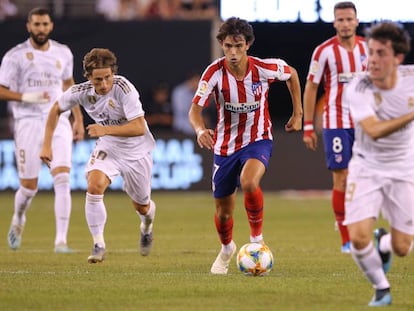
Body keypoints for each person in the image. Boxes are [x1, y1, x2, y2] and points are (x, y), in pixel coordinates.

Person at [188, 17, 302, 274]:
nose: (233, 52)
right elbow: (194, 110)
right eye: (228, 46)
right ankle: (227, 248)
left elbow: (292, 74)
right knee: (224, 212)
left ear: (248, 45)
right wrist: (198, 130)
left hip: (258, 139)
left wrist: (298, 113)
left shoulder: (263, 68)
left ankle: (256, 239)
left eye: (238, 46)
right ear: (221, 45)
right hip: (225, 146)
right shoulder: (213, 73)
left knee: (250, 182)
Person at [40, 48, 157, 264]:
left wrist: (105, 130)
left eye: (107, 78)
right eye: (97, 80)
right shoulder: (81, 91)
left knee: (142, 205)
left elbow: (139, 127)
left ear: (113, 73)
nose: (103, 84)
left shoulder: (124, 88)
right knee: (94, 185)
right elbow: (56, 108)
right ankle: (98, 244)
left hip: (136, 150)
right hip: (109, 148)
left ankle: (146, 226)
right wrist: (47, 144)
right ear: (88, 77)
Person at [0, 7, 84, 253]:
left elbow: (69, 85)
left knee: (63, 178)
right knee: (28, 187)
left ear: (51, 26)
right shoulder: (15, 56)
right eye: (36, 24)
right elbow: (2, 89)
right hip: (28, 121)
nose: (41, 29)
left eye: (44, 24)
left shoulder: (63, 52)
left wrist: (77, 118)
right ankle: (19, 217)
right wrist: (27, 96)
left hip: (59, 120)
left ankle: (61, 241)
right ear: (29, 26)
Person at [343, 22, 413, 307]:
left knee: (402, 248)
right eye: (370, 52)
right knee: (358, 239)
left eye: (380, 53)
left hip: (405, 170)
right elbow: (373, 129)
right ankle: (381, 288)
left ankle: (383, 244)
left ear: (397, 58)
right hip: (366, 168)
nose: (372, 60)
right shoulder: (358, 87)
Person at [302, 1, 368, 253]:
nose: (345, 24)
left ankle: (358, 224)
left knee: (363, 179)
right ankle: (345, 239)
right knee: (341, 177)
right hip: (336, 123)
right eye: (340, 20)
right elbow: (311, 87)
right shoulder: (324, 51)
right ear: (334, 22)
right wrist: (308, 126)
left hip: (365, 124)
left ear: (356, 21)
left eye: (349, 19)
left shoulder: (367, 49)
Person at [171, 71, 202, 135]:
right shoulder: (180, 92)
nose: (198, 84)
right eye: (197, 81)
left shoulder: (197, 92)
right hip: (181, 128)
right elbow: (182, 110)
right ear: (191, 81)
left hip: (194, 129)